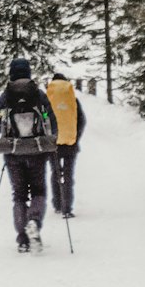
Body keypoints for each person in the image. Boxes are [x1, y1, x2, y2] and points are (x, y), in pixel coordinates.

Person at [0, 56, 57, 253]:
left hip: (13, 152)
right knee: (39, 191)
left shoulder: (6, 96)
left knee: (19, 195)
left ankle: (22, 239)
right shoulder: (38, 94)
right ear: (28, 73)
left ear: (11, 73)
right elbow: (51, 122)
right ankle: (34, 221)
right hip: (37, 150)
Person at [46, 68, 86, 219]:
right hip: (70, 143)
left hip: (52, 143)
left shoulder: (48, 99)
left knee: (55, 173)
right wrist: (75, 138)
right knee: (68, 175)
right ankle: (67, 208)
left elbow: (44, 120)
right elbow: (81, 120)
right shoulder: (72, 99)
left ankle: (57, 204)